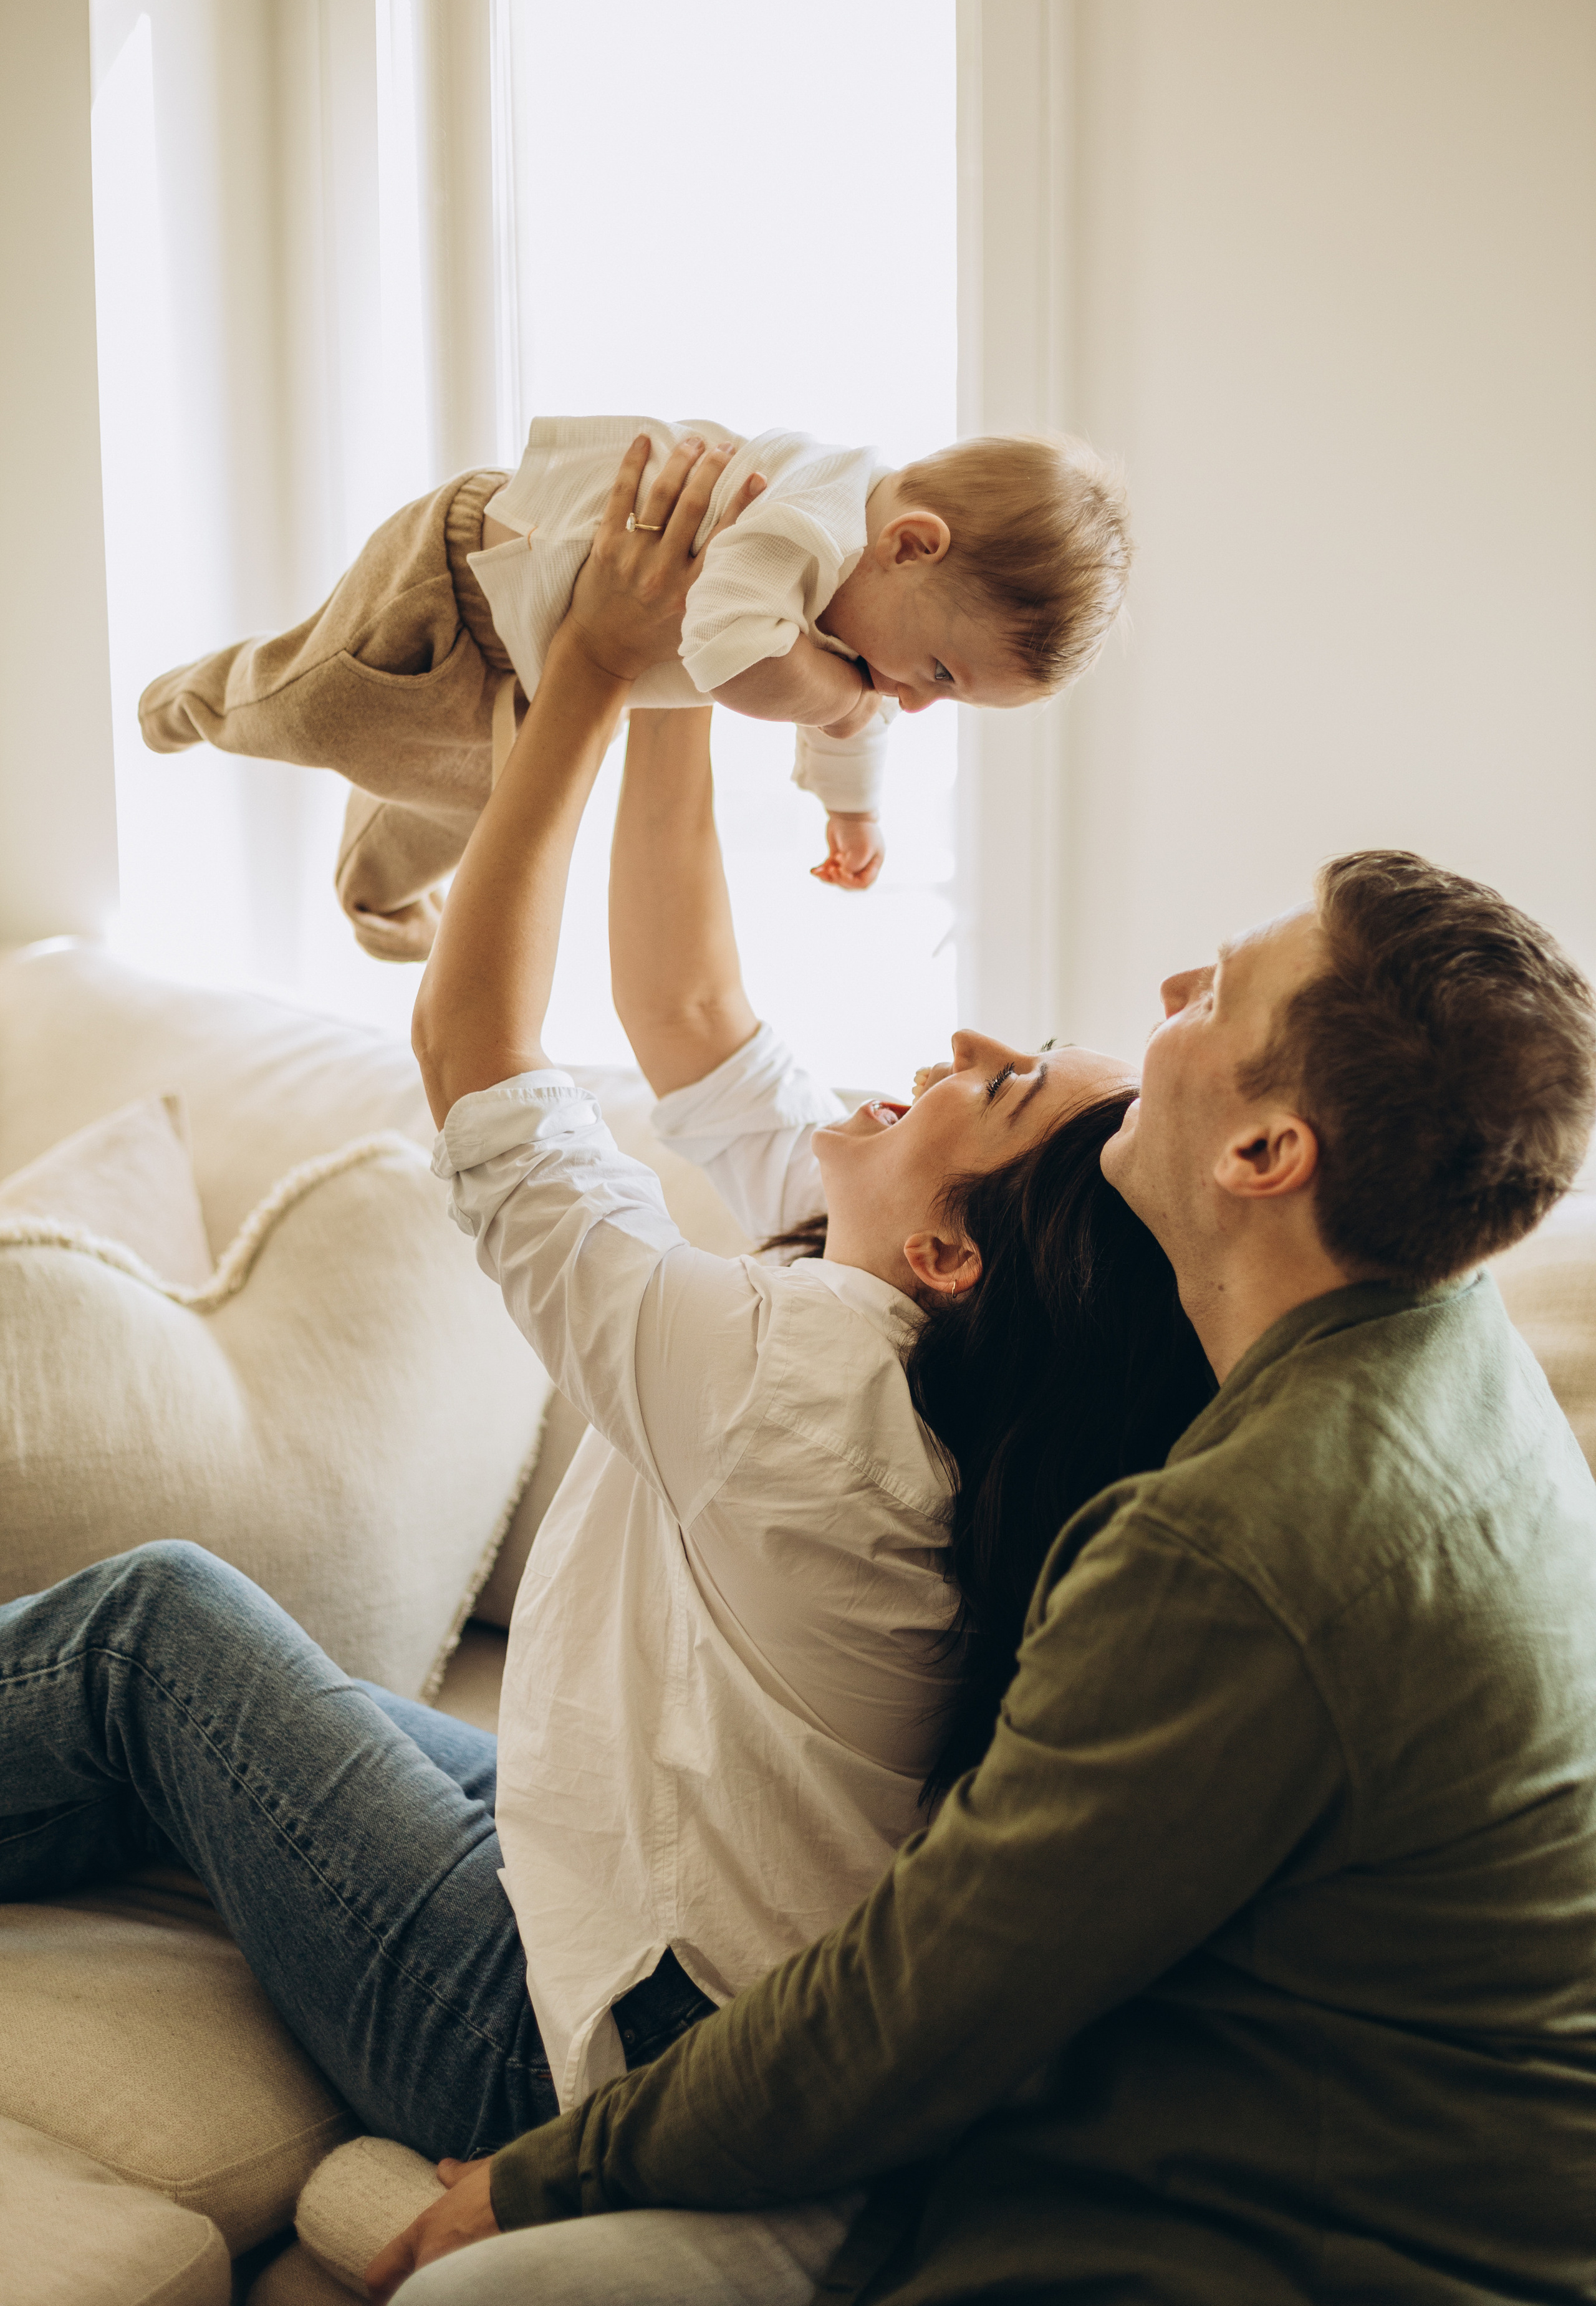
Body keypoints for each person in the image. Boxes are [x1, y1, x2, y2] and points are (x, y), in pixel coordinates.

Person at [0, 441, 1201, 2201]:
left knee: (152, 1630)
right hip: (599, 1884)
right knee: (233, 1693)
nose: (952, 1048)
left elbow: (476, 1058)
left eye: (1003, 1082)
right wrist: (676, 672)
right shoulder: (932, 1332)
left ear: (956, 1255)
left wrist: (575, 672)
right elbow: (695, 1006)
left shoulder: (807, 1393)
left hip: (555, 2046)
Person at [373, 842, 1596, 2306]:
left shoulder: (1238, 1548)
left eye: (1210, 995)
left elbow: (916, 2004)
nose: (1163, 997)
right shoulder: (1448, 1357)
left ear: (1263, 1155)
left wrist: (534, 2178)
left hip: (1283, 2232)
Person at [137, 418, 1128, 953]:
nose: (914, 702)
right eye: (942, 674)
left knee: (471, 803)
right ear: (912, 545)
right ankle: (206, 697)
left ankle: (371, 893)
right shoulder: (807, 518)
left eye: (950, 698)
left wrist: (854, 812)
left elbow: (854, 701)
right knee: (322, 707)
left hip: (521, 665)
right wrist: (836, 698)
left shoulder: (872, 607)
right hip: (459, 571)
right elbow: (731, 655)